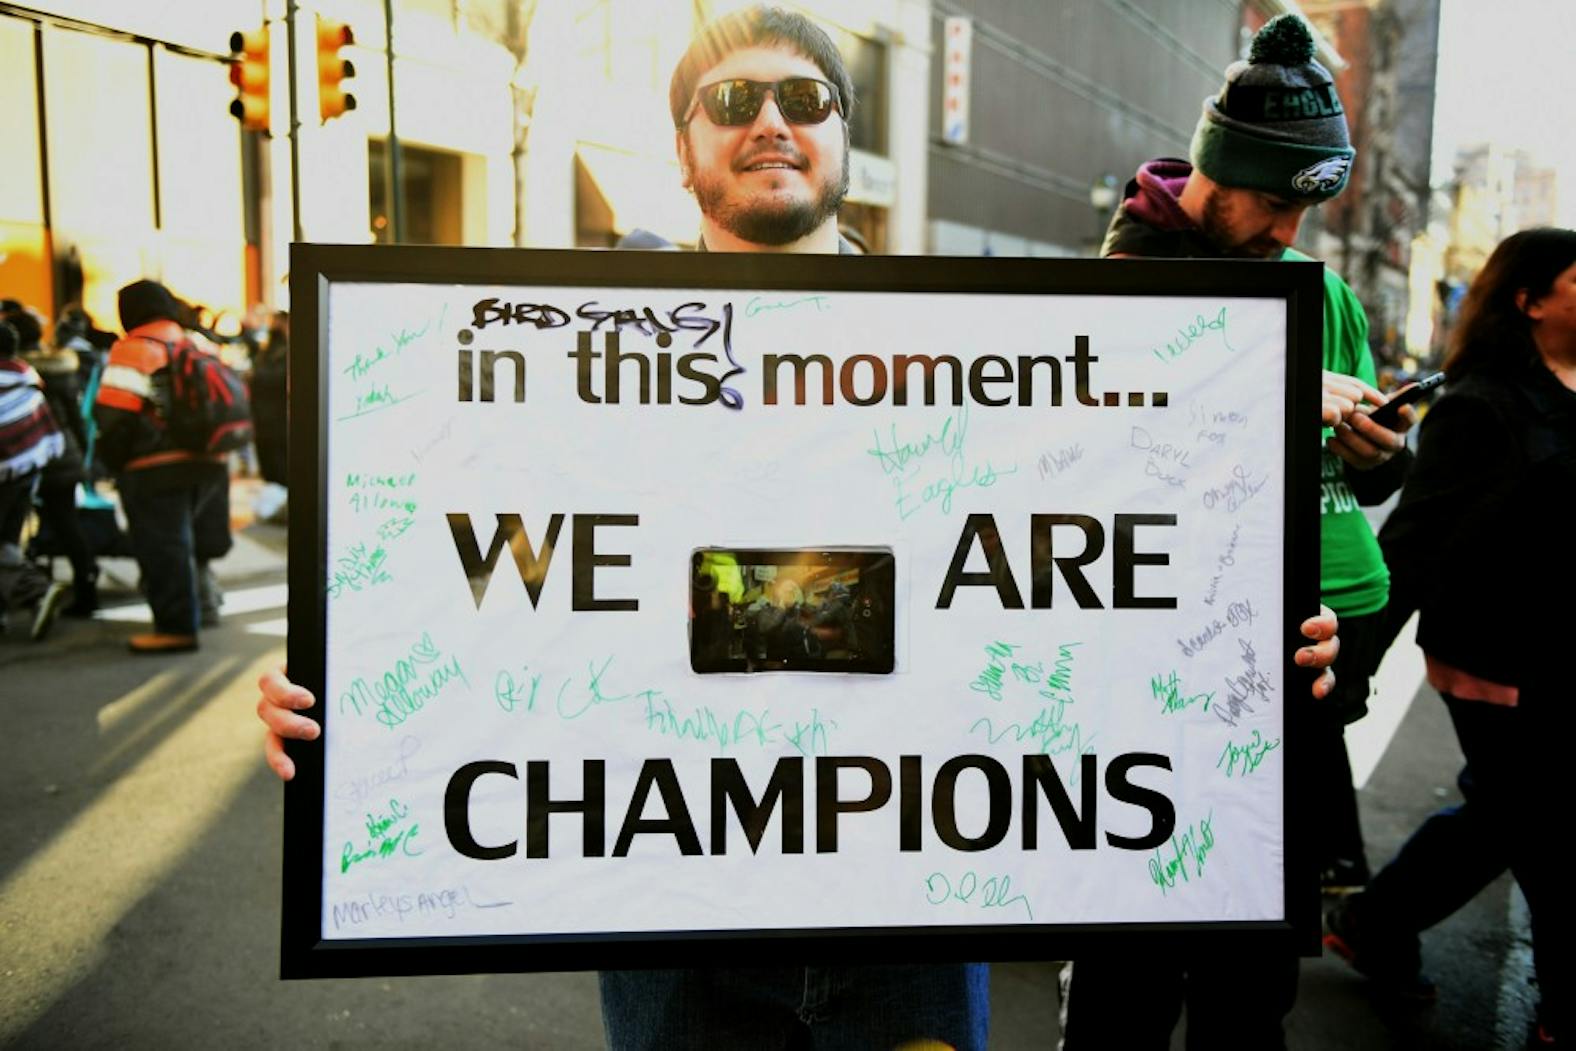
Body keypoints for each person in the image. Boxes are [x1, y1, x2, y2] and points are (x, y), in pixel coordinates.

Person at [258, 8, 1340, 1048]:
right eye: (731, 98)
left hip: (910, 913)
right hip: (672, 920)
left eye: (804, 97)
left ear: (844, 144)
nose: (770, 119)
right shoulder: (552, 367)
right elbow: (448, 568)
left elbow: (1091, 569)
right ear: (682, 152)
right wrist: (335, 684)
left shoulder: (994, 351)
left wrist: (1251, 640)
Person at [1060, 14, 1410, 1050]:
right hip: (1158, 665)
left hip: (1300, 658)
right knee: (1128, 965)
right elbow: (1100, 442)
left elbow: (1382, 458)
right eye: (1270, 202)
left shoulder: (1320, 288)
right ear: (1216, 173)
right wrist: (1284, 389)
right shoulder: (1125, 273)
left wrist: (1374, 448)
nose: (1287, 231)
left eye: (1307, 208)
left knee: (1253, 971)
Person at [1325, 227, 1576, 1048]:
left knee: (1503, 815)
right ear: (1530, 300)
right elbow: (1414, 543)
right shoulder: (1481, 404)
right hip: (1494, 654)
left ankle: (1375, 921)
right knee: (1544, 824)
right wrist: (1352, 671)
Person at [94, 279, 233, 653]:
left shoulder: (135, 348)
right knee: (191, 540)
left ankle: (175, 629)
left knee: (163, 547)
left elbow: (113, 415)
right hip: (210, 460)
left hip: (156, 467)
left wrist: (114, 462)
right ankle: (203, 609)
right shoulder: (196, 343)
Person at [4, 301, 100, 616]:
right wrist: (83, 455)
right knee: (67, 524)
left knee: (14, 529)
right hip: (60, 451)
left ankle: (31, 592)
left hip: (25, 457)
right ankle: (86, 590)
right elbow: (76, 418)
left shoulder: (17, 374)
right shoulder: (60, 366)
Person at [0, 317, 70, 640]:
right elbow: (46, 432)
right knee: (9, 542)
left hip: (7, 474)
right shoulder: (27, 379)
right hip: (27, 474)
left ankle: (35, 592)